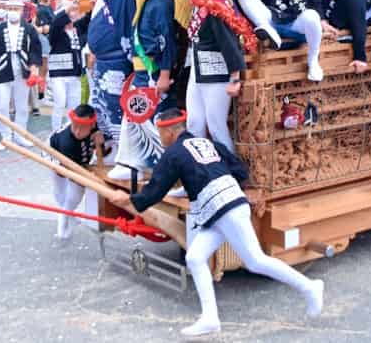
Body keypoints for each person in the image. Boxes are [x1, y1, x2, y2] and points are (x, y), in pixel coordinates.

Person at [107, 109, 324, 338]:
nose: (161, 138)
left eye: (161, 133)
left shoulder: (174, 153)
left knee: (256, 261)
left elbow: (156, 189)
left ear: (170, 132)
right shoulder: (206, 143)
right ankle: (210, 318)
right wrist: (185, 190)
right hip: (222, 207)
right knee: (195, 257)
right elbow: (229, 169)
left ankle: (309, 287)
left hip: (225, 209)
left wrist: (129, 199)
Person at [178, 0, 252, 150]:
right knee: (194, 123)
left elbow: (229, 43)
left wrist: (235, 78)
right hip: (198, 69)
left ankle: (229, 172)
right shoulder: (199, 0)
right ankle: (200, 170)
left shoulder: (215, 5)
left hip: (217, 71)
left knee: (216, 126)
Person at [110, 0, 176, 179]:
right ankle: (134, 164)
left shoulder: (161, 4)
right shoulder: (148, 1)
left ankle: (156, 167)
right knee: (135, 116)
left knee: (148, 118)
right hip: (142, 71)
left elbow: (166, 41)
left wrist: (164, 75)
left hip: (154, 71)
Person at [85, 0, 134, 160]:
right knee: (102, 108)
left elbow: (128, 28)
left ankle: (123, 156)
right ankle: (108, 152)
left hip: (117, 63)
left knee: (115, 109)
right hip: (103, 61)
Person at [0, 0, 42, 150]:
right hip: (3, 70)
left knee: (22, 106)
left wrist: (34, 67)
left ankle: (20, 135)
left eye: (16, 9)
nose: (13, 12)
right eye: (10, 8)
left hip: (23, 71)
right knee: (2, 104)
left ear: (22, 11)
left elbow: (35, 50)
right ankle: (6, 136)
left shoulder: (29, 29)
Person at [47, 103, 99, 241]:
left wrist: (99, 138)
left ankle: (67, 213)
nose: (77, 131)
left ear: (92, 125)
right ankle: (63, 224)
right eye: (74, 125)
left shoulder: (96, 127)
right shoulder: (67, 142)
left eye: (82, 128)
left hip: (77, 158)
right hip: (55, 153)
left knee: (74, 197)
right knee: (62, 192)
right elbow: (74, 174)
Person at [46, 0, 86, 133]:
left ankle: (70, 129)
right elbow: (56, 23)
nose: (73, 14)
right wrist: (67, 9)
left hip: (75, 73)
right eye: (72, 12)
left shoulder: (78, 30)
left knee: (74, 105)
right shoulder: (57, 31)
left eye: (76, 11)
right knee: (60, 103)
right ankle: (55, 131)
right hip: (59, 73)